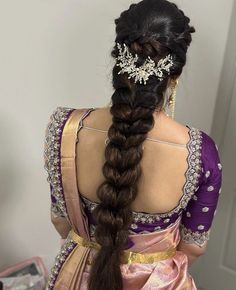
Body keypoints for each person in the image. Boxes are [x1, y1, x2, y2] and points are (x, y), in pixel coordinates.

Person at [43, 0, 223, 289]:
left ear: (119, 57)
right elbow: (193, 247)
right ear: (173, 74)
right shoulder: (201, 153)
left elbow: (61, 222)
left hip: (79, 277)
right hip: (153, 282)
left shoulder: (64, 128)